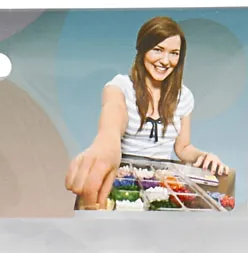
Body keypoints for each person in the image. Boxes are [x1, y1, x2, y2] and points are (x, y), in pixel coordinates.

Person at [66, 16, 231, 208]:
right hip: (122, 179)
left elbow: (183, 148)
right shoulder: (120, 86)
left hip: (161, 183)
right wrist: (106, 143)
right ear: (143, 49)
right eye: (158, 50)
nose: (165, 61)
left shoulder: (184, 96)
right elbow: (113, 115)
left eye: (174, 53)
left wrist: (205, 157)